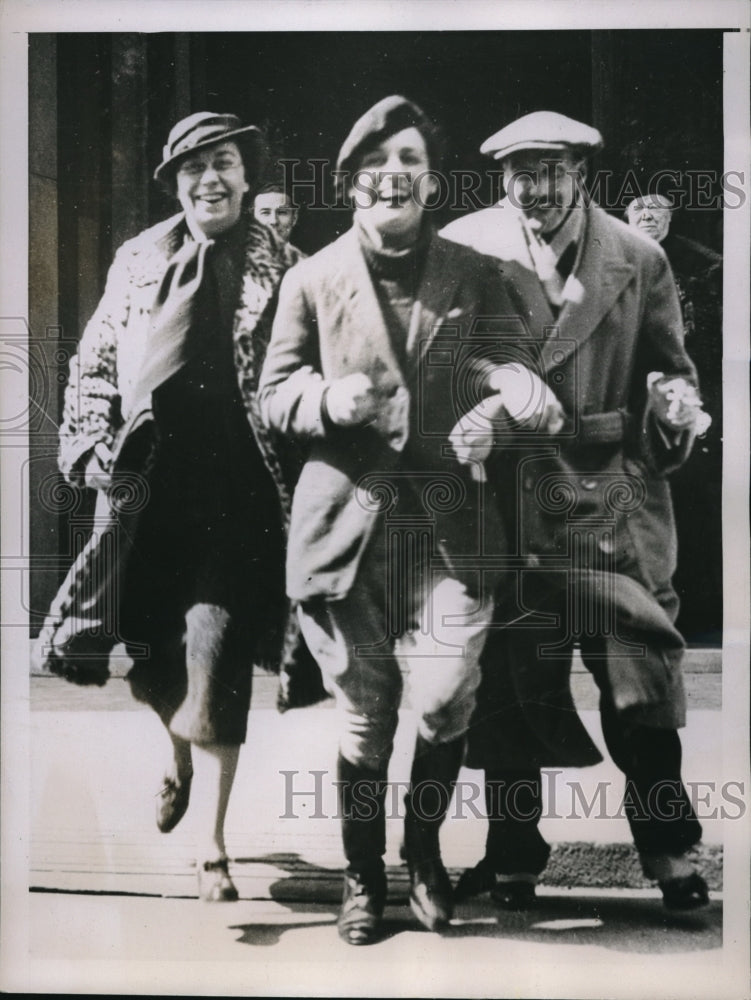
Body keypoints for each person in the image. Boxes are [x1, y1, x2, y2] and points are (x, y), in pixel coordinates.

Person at [259, 95, 551, 945]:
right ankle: (363, 876)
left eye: (411, 162)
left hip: (449, 531)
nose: (394, 177)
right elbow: (273, 393)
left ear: (430, 182)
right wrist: (324, 398)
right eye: (376, 164)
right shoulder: (309, 278)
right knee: (363, 714)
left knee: (445, 695)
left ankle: (421, 850)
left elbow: (512, 372)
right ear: (350, 182)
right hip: (345, 533)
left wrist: (498, 408)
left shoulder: (474, 272)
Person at [441, 111, 710, 912]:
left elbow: (669, 369)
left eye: (553, 170)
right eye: (521, 172)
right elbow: (437, 365)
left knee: (639, 681)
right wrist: (484, 405)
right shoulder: (463, 247)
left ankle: (669, 852)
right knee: (507, 682)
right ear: (501, 178)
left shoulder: (636, 254)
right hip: (505, 498)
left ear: (581, 173)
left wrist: (673, 405)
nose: (537, 188)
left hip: (611, 498)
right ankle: (511, 855)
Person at [36, 112, 295, 902]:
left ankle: (212, 847)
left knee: (216, 654)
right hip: (147, 490)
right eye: (192, 168)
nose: (209, 180)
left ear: (246, 176)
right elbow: (94, 362)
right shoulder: (138, 258)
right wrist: (89, 446)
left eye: (223, 163)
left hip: (238, 494)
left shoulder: (287, 266)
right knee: (152, 656)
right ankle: (176, 753)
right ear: (175, 184)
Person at [626, 193, 722, 641]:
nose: (647, 216)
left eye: (656, 210)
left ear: (670, 218)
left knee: (687, 509)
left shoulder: (705, 270)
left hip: (686, 410)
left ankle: (692, 616)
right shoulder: (608, 264)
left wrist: (701, 405)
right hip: (624, 412)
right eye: (638, 209)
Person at [253, 183, 307, 267]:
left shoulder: (307, 264)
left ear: (294, 218)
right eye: (265, 213)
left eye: (282, 212)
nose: (274, 221)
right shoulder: (237, 262)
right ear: (253, 218)